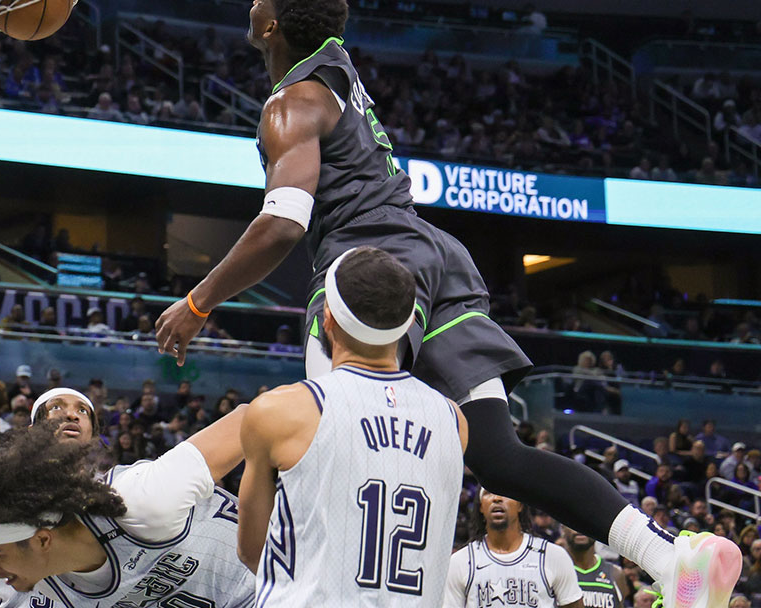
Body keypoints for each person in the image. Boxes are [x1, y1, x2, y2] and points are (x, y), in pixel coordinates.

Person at [151, 0, 742, 604]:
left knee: (327, 444)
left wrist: (200, 302)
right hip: (436, 258)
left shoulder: (290, 106)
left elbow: (282, 225)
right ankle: (669, 557)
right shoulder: (329, 56)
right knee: (498, 454)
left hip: (364, 272)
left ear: (268, 25)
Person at [236, 246, 467, 605]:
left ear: (327, 317)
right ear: (409, 323)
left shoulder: (279, 412)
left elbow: (253, 551)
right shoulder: (454, 421)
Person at [0, 388, 253, 607]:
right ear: (31, 430)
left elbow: (255, 418)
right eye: (56, 407)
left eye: (81, 411)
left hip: (260, 584)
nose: (71, 415)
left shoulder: (141, 498)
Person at [445, 490, 584, 608]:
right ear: (481, 506)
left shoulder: (552, 555)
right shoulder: (461, 561)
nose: (497, 498)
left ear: (520, 505)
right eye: (488, 493)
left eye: (504, 493)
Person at [563, 525, 629, 608]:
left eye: (586, 523)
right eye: (573, 522)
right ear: (562, 528)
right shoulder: (553, 570)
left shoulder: (616, 573)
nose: (579, 528)